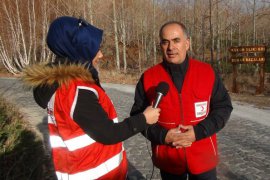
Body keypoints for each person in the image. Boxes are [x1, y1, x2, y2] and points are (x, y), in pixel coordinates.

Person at [22, 16, 160, 180]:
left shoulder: (60, 86)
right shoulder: (76, 90)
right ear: (79, 50)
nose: (100, 54)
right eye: (95, 48)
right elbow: (108, 133)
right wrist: (144, 119)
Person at [130, 21, 233, 180]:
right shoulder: (149, 77)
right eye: (165, 42)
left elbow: (223, 107)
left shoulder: (207, 72)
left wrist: (199, 132)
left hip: (203, 158)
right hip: (168, 158)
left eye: (176, 40)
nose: (170, 47)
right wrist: (163, 136)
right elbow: (138, 115)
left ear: (187, 43)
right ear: (161, 45)